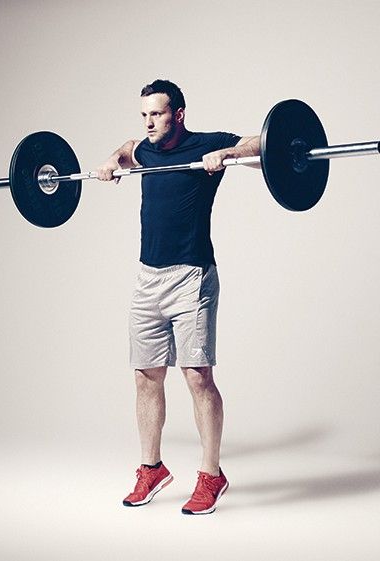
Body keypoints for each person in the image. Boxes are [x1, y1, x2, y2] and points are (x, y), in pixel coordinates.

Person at [95, 79, 260, 515]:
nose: (149, 122)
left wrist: (228, 154)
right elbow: (128, 149)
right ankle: (151, 469)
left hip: (192, 276)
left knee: (197, 376)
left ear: (179, 114)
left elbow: (263, 144)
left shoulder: (205, 144)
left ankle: (211, 475)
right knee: (145, 376)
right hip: (147, 278)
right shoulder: (147, 150)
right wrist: (112, 160)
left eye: (157, 113)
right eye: (144, 115)